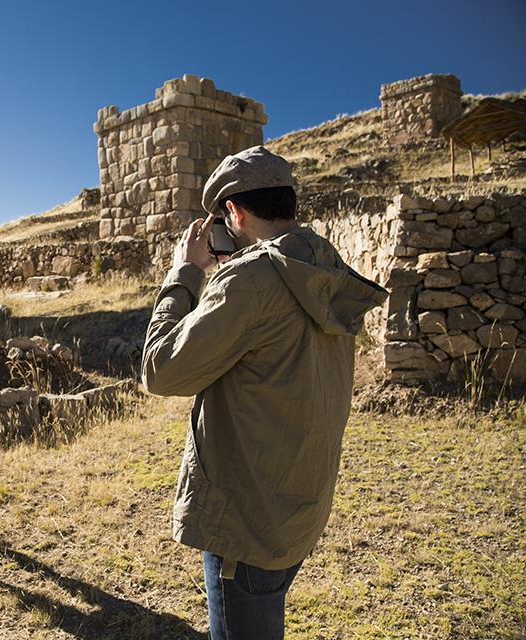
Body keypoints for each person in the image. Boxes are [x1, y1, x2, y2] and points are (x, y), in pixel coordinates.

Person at [141, 146, 387, 639]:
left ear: (234, 211)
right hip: (296, 504)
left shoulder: (249, 281)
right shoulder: (323, 265)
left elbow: (160, 371)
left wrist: (184, 275)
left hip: (246, 520)